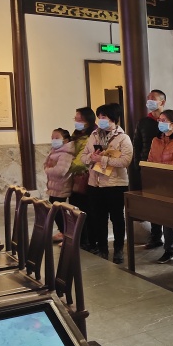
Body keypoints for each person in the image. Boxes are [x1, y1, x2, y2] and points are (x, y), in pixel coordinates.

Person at [80, 102, 133, 264]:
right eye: (99, 116)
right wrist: (91, 157)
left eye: (104, 116)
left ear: (113, 118)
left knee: (117, 218)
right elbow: (83, 156)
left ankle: (118, 249)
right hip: (95, 183)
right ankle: (102, 248)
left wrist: (102, 159)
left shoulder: (123, 138)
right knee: (99, 218)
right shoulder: (94, 135)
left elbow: (125, 161)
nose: (101, 119)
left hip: (115, 184)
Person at [147, 109, 173, 264]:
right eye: (159, 120)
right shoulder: (156, 140)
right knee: (165, 218)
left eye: (164, 120)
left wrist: (162, 174)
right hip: (160, 185)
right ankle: (168, 249)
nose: (160, 123)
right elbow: (150, 160)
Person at [131, 89, 167, 249]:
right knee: (152, 204)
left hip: (165, 168)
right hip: (147, 167)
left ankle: (171, 239)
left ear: (162, 102)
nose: (149, 101)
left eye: (153, 98)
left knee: (166, 205)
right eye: (148, 98)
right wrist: (138, 164)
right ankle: (156, 236)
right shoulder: (143, 122)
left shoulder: (169, 120)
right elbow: (137, 145)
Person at [69, 106, 96, 250]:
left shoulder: (91, 137)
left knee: (85, 211)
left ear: (88, 120)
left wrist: (66, 166)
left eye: (79, 119)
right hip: (76, 179)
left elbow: (81, 162)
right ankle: (79, 239)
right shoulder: (76, 135)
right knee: (75, 209)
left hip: (86, 179)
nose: (76, 122)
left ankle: (87, 241)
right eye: (76, 119)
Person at [44, 127, 75, 242]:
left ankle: (66, 234)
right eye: (52, 138)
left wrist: (49, 169)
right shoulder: (54, 152)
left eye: (57, 138)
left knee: (59, 212)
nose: (54, 140)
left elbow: (60, 171)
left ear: (65, 140)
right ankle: (63, 232)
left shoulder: (66, 154)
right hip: (53, 187)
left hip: (61, 187)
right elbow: (46, 165)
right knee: (54, 211)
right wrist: (49, 167)